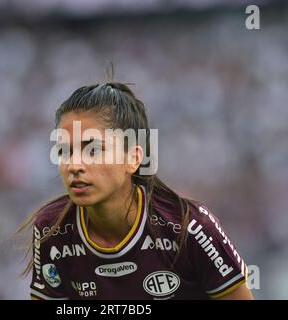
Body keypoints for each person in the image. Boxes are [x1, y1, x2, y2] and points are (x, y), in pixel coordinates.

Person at [16, 82, 253, 300]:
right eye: (64, 151)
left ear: (133, 158)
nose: (74, 165)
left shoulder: (191, 228)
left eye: (93, 150)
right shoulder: (51, 230)